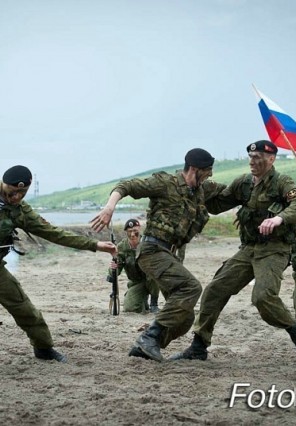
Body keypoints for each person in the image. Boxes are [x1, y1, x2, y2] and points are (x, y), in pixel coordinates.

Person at [0, 165, 117, 363]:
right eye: (13, 192)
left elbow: (54, 233)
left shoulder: (21, 211)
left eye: (22, 193)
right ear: (3, 183)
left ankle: (43, 348)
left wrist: (96, 245)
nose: (16, 197)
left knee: (27, 312)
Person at [171, 140, 296, 366]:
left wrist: (279, 218)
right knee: (214, 290)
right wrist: (196, 187)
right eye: (251, 158)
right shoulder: (244, 183)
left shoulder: (281, 182)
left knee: (263, 297)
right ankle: (199, 346)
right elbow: (218, 205)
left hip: (274, 250)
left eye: (258, 158)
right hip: (248, 249)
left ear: (271, 159)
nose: (253, 162)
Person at [90, 148, 226, 362]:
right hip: (152, 250)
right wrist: (109, 207)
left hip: (169, 255)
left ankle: (146, 348)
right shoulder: (165, 183)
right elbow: (126, 186)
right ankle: (149, 338)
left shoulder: (201, 190)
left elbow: (230, 193)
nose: (209, 176)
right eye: (206, 172)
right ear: (194, 169)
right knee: (191, 287)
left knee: (184, 316)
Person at [107, 218, 161, 313]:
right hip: (136, 283)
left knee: (154, 273)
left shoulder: (147, 243)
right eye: (129, 231)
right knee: (130, 308)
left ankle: (154, 303)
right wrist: (113, 269)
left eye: (135, 231)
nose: (132, 234)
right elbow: (116, 271)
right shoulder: (121, 247)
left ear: (139, 229)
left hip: (152, 281)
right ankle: (143, 301)